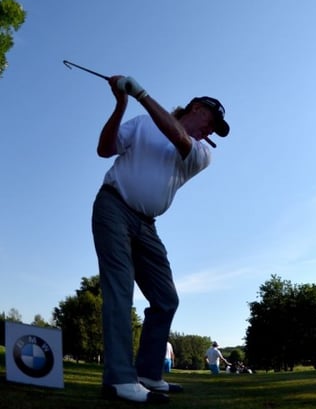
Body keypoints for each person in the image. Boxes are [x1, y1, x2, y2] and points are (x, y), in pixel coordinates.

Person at [92, 74, 230, 404]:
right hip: (113, 205)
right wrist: (122, 104)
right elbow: (104, 149)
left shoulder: (200, 151)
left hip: (147, 225)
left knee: (166, 299)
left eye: (213, 130)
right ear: (195, 109)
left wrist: (140, 93)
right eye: (210, 123)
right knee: (120, 289)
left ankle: (149, 374)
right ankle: (120, 380)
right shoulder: (141, 123)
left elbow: (179, 138)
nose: (210, 133)